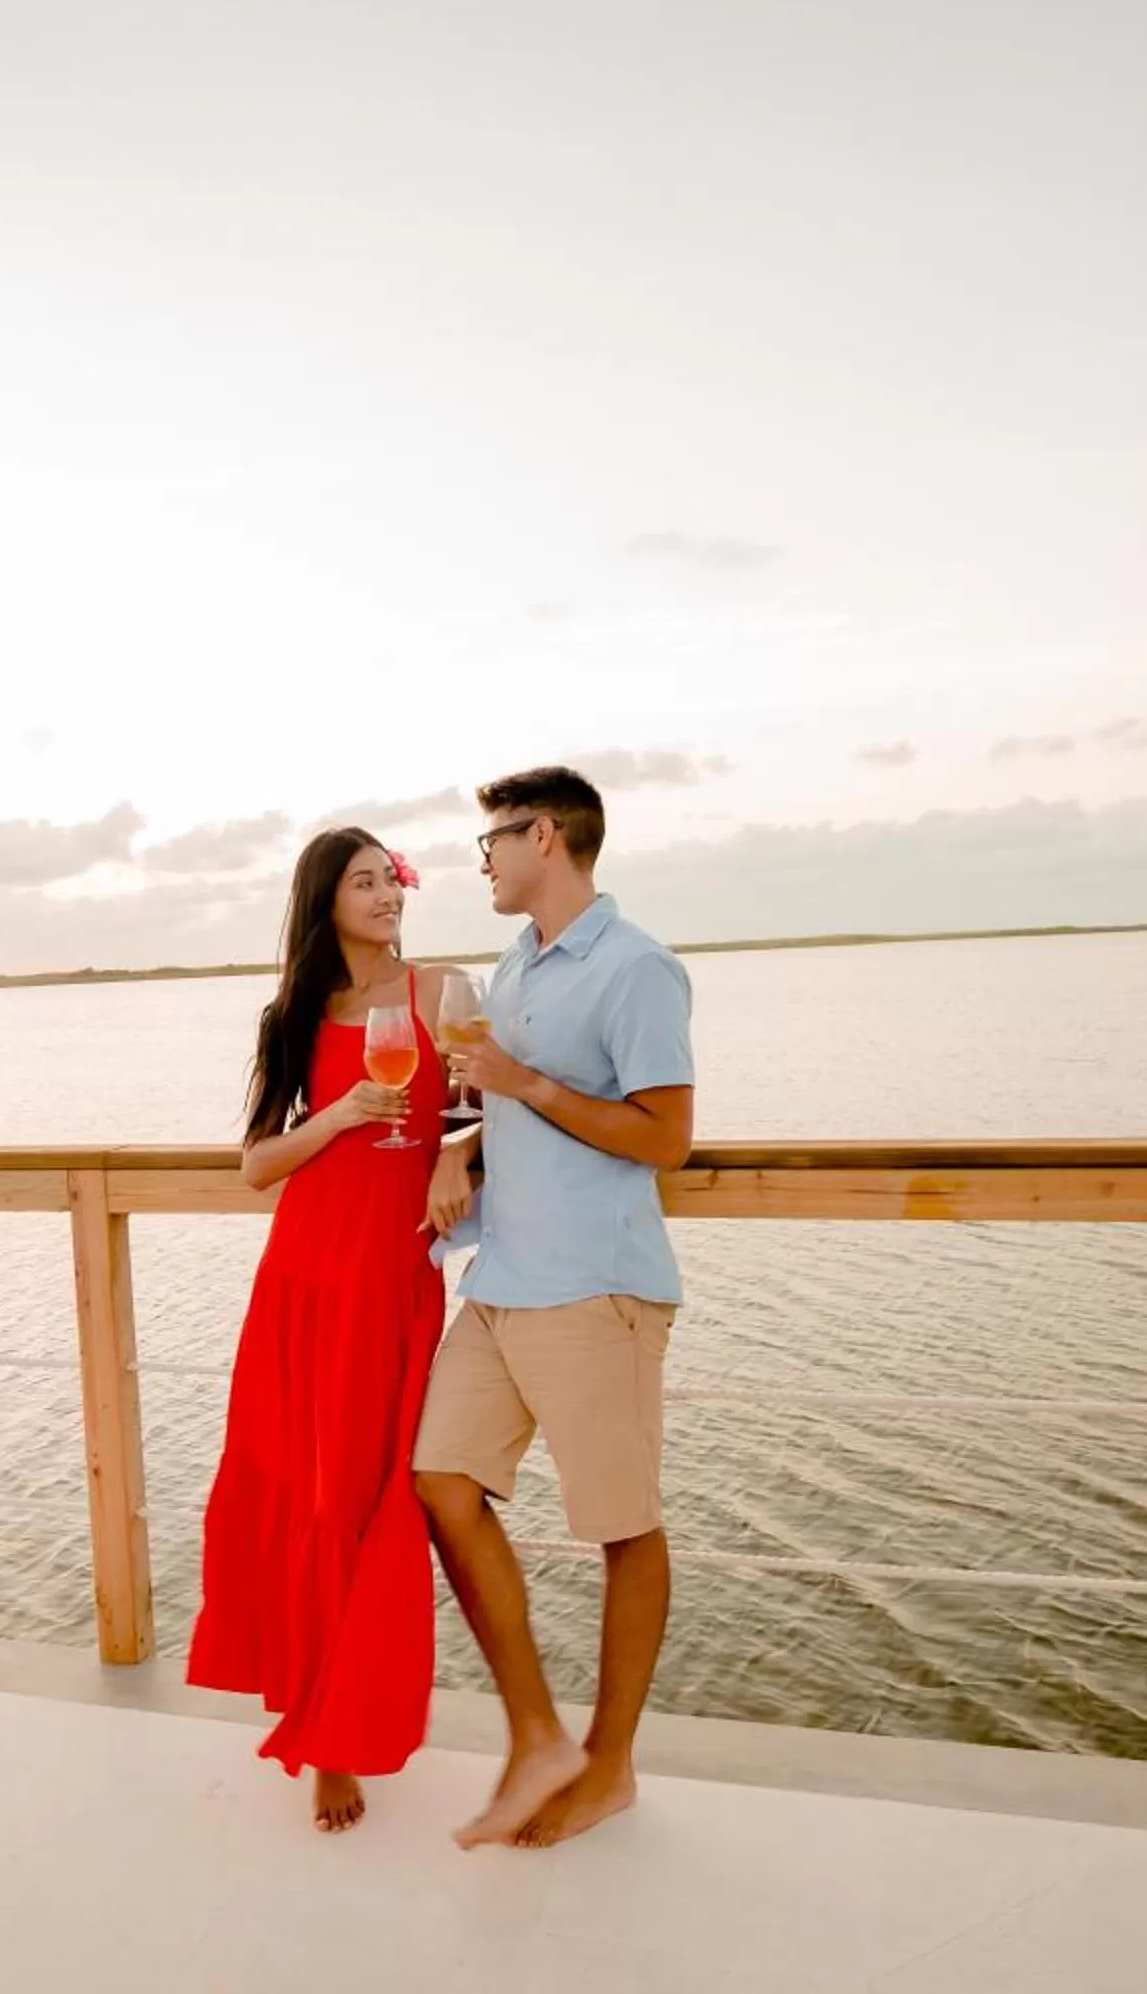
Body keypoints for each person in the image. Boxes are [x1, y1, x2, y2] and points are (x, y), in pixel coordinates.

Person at [417, 765, 696, 1850]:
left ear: (544, 835)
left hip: (596, 1287)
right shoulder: (515, 962)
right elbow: (513, 1085)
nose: (480, 858)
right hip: (502, 1280)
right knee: (440, 1480)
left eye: (491, 839)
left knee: (624, 1524)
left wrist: (520, 1088)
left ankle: (610, 1764)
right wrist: (466, 1135)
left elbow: (666, 1136)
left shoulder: (638, 968)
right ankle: (537, 1731)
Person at [187, 826, 449, 1833]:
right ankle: (324, 1733)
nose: (387, 894)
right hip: (306, 1276)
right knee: (312, 1490)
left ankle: (353, 1710)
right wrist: (337, 1115)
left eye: (394, 877)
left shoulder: (442, 992)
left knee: (384, 1492)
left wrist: (453, 1158)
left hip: (395, 1277)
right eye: (365, 880)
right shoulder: (294, 1014)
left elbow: (475, 1107)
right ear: (325, 899)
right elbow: (258, 1163)